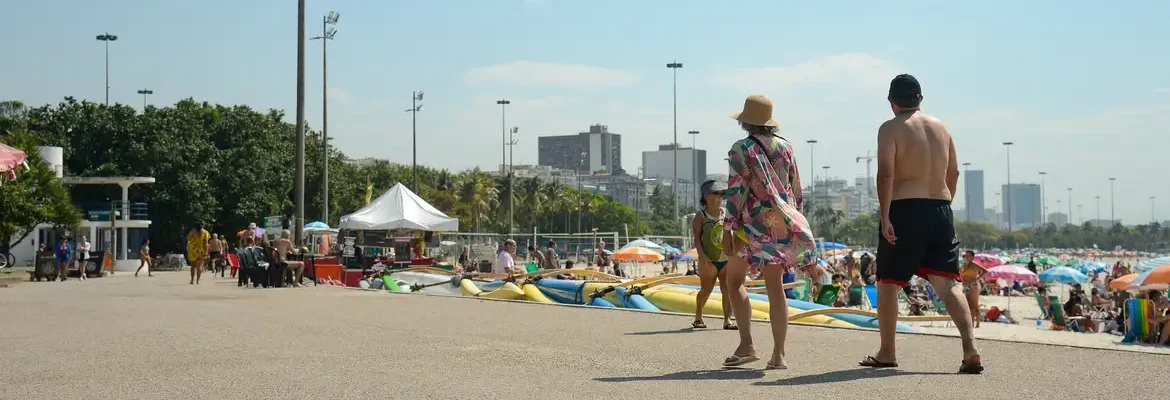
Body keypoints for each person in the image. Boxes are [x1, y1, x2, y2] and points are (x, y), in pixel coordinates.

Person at [868, 74, 981, 374]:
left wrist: (884, 215)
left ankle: (887, 351)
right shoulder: (941, 128)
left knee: (889, 281)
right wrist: (944, 203)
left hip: (906, 208)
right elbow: (954, 173)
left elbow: (886, 174)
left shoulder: (890, 128)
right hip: (941, 208)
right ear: (920, 99)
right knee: (947, 282)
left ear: (892, 102)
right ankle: (970, 348)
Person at [720, 94, 815, 369]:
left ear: (746, 122)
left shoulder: (742, 148)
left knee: (734, 281)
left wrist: (729, 227)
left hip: (750, 226)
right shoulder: (786, 147)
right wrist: (793, 220)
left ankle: (747, 344)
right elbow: (796, 189)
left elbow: (737, 190)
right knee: (776, 288)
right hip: (781, 224)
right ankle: (779, 355)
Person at [691, 179, 735, 330]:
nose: (718, 198)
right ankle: (698, 316)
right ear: (706, 197)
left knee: (727, 289)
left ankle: (727, 319)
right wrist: (701, 254)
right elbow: (696, 238)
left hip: (726, 258)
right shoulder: (701, 216)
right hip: (708, 259)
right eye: (715, 195)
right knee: (706, 289)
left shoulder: (725, 214)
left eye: (720, 195)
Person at [959, 250, 988, 326]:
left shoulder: (974, 265)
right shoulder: (964, 265)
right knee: (968, 305)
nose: (966, 257)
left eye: (968, 256)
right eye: (965, 256)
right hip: (965, 286)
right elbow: (960, 274)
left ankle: (976, 323)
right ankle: (971, 323)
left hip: (973, 285)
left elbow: (985, 271)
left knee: (974, 305)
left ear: (972, 257)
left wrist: (976, 278)